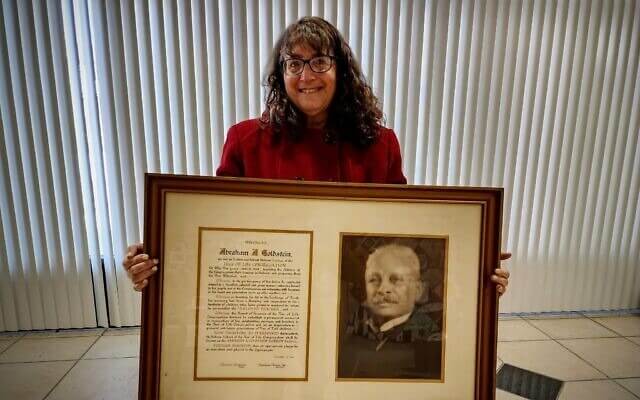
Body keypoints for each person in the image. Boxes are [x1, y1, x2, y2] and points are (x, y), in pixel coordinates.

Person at [121, 16, 510, 294]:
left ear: (341, 70)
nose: (306, 76)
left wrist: (472, 263)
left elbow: (402, 232)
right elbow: (219, 227)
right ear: (281, 74)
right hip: (271, 294)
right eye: (294, 63)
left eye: (319, 61)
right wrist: (156, 259)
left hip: (352, 294)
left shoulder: (381, 143)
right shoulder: (244, 141)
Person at [338, 243, 441, 379]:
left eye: (396, 280)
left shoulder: (426, 334)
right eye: (375, 280)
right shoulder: (359, 318)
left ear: (417, 290)